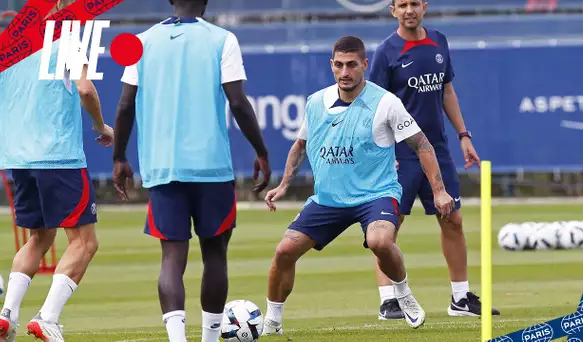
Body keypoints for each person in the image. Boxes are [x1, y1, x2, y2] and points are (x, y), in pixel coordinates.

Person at [261, 36, 454, 335]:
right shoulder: (315, 102)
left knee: (380, 242)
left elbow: (423, 145)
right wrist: (284, 183)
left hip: (375, 195)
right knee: (284, 251)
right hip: (328, 199)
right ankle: (271, 322)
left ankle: (403, 293)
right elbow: (300, 145)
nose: (345, 72)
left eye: (352, 65)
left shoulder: (386, 102)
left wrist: (439, 190)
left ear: (364, 65)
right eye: (338, 65)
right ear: (331, 66)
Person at [111, 1, 271, 341]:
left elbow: (125, 104)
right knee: (215, 255)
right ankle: (210, 339)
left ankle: (177, 340)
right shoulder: (222, 39)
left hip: (163, 167)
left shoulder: (141, 42)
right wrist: (261, 151)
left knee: (172, 258)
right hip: (211, 168)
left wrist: (119, 157)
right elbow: (239, 103)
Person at [369, 0, 500, 319]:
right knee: (388, 227)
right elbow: (372, 106)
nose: (409, 10)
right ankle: (389, 300)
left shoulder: (439, 41)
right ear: (393, 11)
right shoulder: (386, 52)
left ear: (425, 7)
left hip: (437, 150)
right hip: (400, 152)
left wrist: (464, 136)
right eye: (402, 5)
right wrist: (382, 153)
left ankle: (460, 298)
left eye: (415, 3)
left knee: (452, 218)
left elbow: (447, 92)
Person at [0, 1, 114, 341]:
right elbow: (85, 89)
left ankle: (7, 315)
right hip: (58, 156)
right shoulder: (67, 37)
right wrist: (101, 126)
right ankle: (47, 317)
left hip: (20, 158)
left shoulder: (12, 44)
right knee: (85, 242)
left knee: (40, 237)